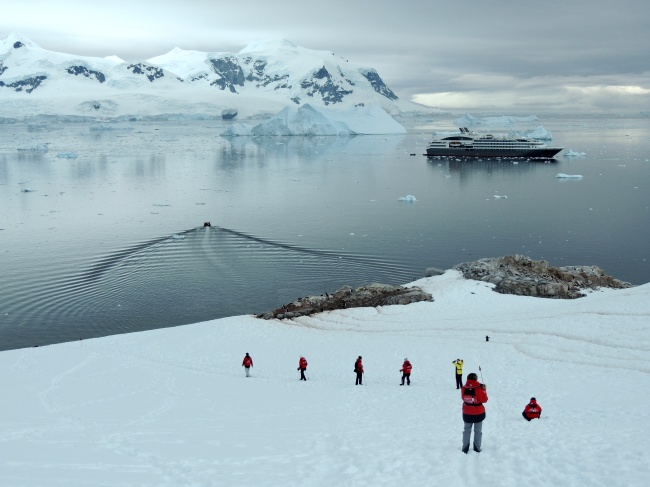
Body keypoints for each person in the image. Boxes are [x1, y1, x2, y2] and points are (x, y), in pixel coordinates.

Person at [461, 372, 488, 453]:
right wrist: (484, 390)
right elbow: (484, 400)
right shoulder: (479, 389)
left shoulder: (463, 388)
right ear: (476, 379)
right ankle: (477, 447)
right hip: (478, 413)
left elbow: (463, 397)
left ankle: (465, 447)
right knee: (478, 430)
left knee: (466, 430)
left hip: (467, 412)